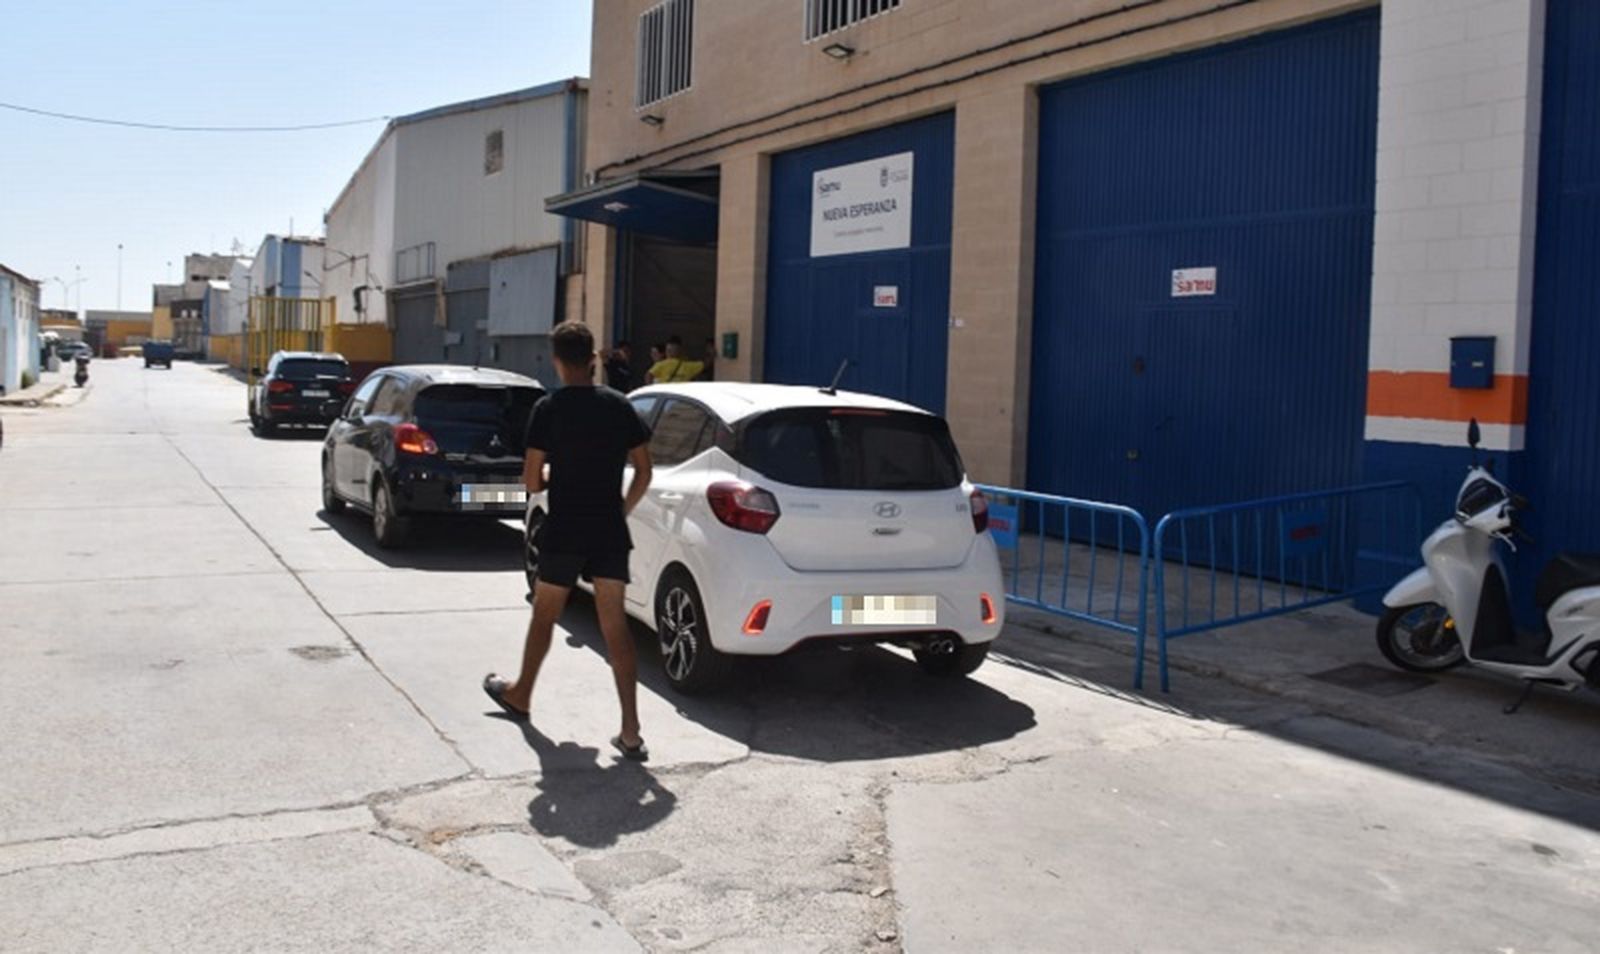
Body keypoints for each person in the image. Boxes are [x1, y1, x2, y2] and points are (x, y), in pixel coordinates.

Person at [483, 321, 655, 761]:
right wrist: (622, 509)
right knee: (614, 626)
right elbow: (644, 469)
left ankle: (520, 694)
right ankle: (631, 731)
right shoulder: (619, 407)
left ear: (557, 361)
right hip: (608, 529)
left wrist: (551, 474)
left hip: (564, 527)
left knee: (544, 615)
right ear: (594, 358)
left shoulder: (549, 409)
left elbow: (530, 480)